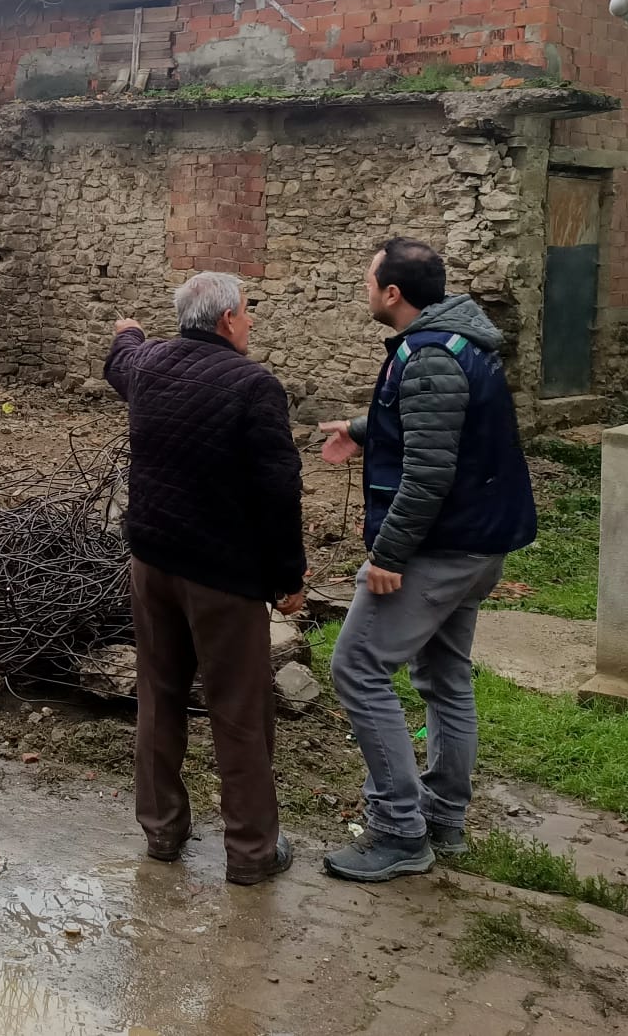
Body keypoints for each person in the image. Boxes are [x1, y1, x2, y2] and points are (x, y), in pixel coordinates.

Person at [316, 238, 536, 883]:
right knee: (444, 677)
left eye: (368, 279)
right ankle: (443, 819)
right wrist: (360, 430)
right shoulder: (453, 343)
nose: (364, 289)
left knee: (356, 667)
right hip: (476, 545)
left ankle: (397, 831)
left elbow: (430, 469)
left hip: (440, 549)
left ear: (392, 293)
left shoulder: (430, 355)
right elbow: (438, 425)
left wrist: (390, 554)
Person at [104, 271, 306, 885]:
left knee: (159, 697)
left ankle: (163, 832)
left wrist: (128, 331)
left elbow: (122, 359)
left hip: (152, 564)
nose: (250, 322)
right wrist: (288, 576)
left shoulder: (149, 366)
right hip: (222, 579)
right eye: (247, 313)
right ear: (225, 320)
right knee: (240, 712)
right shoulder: (254, 386)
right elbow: (278, 493)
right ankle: (250, 853)